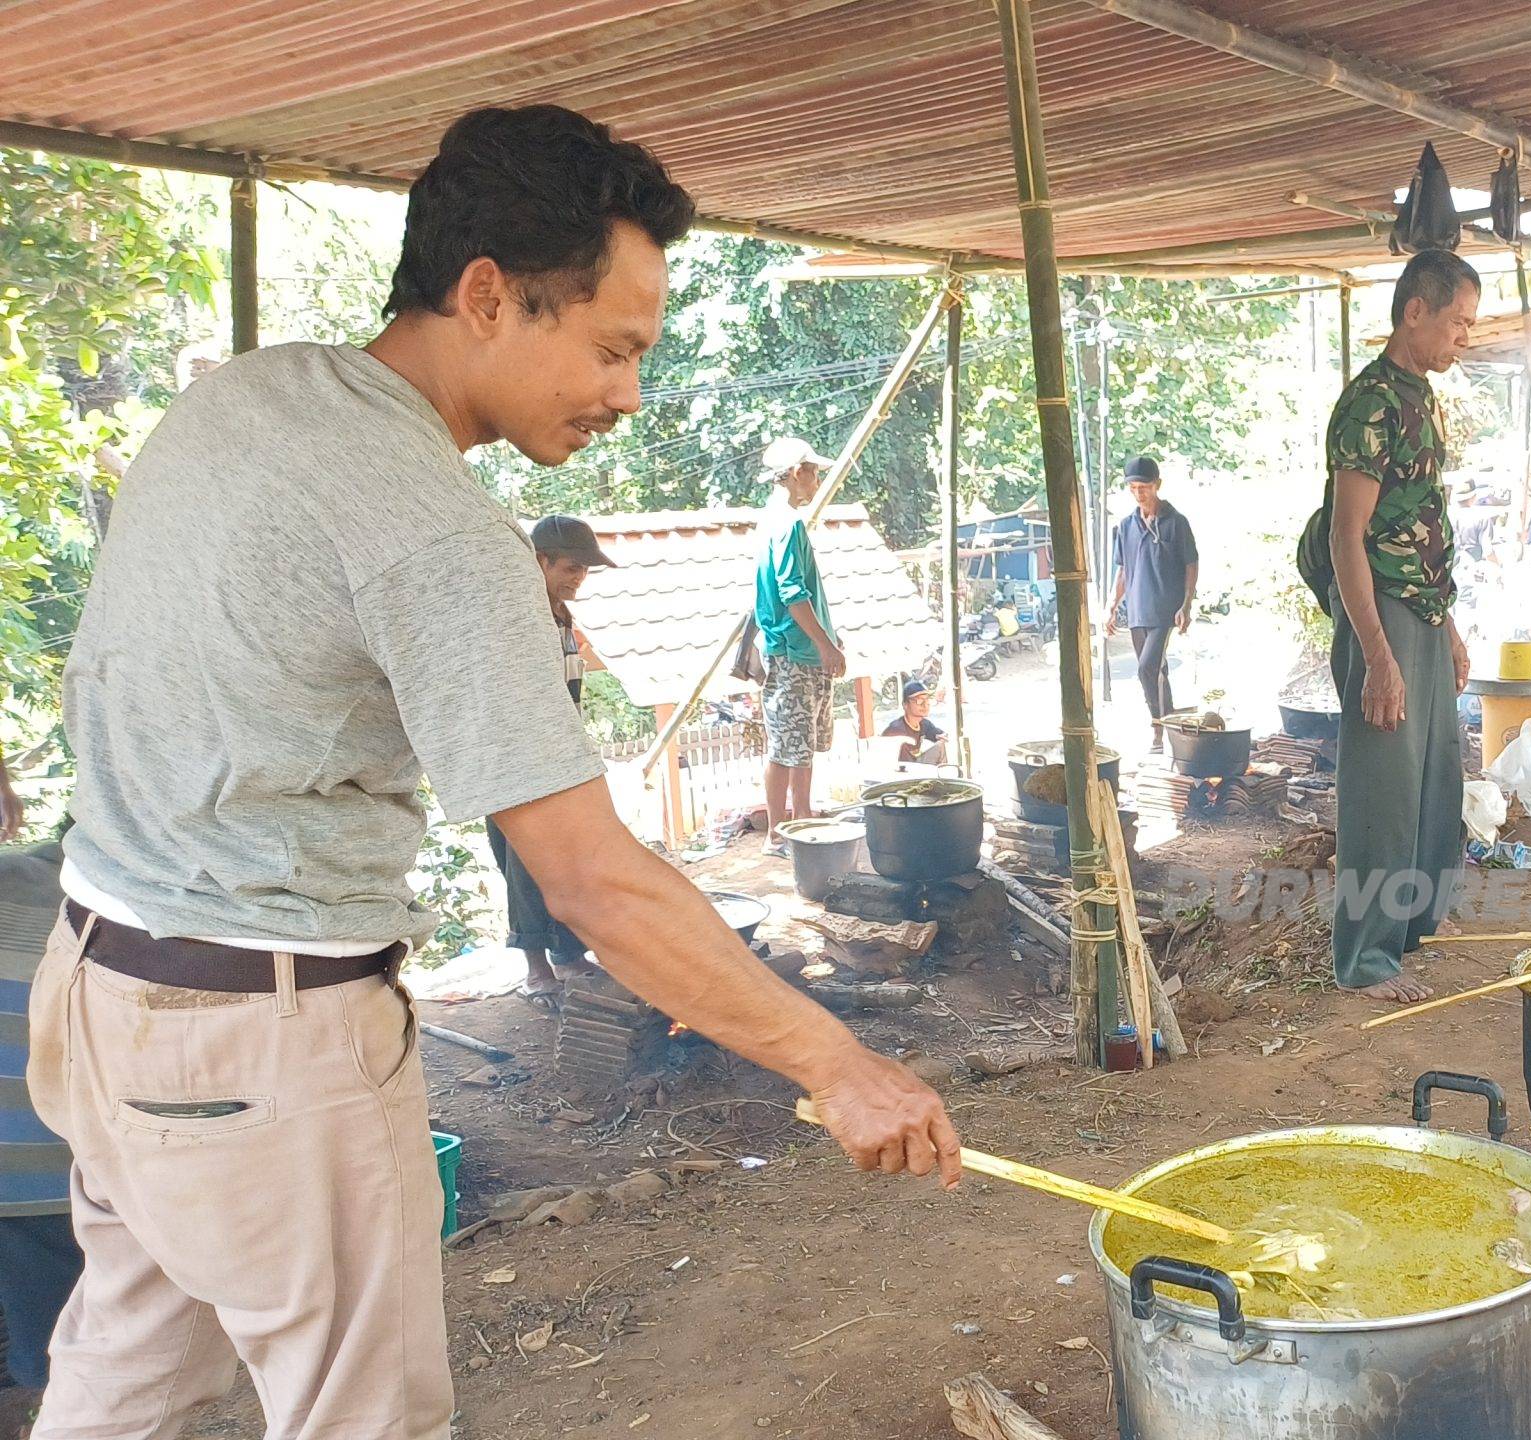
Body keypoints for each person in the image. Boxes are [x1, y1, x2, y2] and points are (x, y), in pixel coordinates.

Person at [34, 105, 958, 1440]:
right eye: (610, 347)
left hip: (102, 988)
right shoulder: (441, 534)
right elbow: (593, 880)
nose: (628, 392)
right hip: (263, 1037)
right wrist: (839, 1064)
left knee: (127, 1388)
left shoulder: (248, 396)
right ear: (486, 296)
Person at [1323, 249, 1479, 1005]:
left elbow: (1420, 521)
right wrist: (1377, 657)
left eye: (1471, 326)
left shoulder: (1418, 395)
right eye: (1456, 322)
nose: (1464, 338)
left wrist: (1446, 625)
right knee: (1383, 790)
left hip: (1422, 606)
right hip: (1379, 612)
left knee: (1434, 777)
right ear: (1414, 310)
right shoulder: (1369, 405)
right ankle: (1365, 956)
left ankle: (1411, 927)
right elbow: (1346, 536)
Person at [484, 514, 614, 1004]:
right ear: (539, 560)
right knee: (523, 865)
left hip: (554, 756)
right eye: (570, 566)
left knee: (561, 861)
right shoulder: (516, 616)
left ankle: (568, 954)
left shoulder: (559, 615)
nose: (578, 576)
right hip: (514, 759)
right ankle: (536, 969)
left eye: (584, 569)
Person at [1, 763, 75, 1440]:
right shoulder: (51, 889)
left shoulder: (48, 882)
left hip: (41, 1189)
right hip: (41, 1188)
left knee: (47, 1375)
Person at [755, 435, 848, 854]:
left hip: (791, 649)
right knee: (793, 746)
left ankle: (789, 826)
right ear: (797, 473)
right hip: (794, 652)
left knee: (794, 744)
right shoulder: (787, 523)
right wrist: (826, 646)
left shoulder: (773, 520)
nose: (815, 482)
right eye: (813, 474)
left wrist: (828, 638)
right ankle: (791, 829)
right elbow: (793, 593)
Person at [1103, 455, 1198, 743]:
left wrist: (1186, 604)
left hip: (1165, 610)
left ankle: (1157, 726)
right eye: (1133, 488)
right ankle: (1170, 727)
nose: (1138, 493)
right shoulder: (1127, 525)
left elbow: (1191, 564)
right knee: (1157, 670)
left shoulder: (1176, 522)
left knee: (1146, 667)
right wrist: (1111, 607)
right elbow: (1123, 571)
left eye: (1143, 487)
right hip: (1137, 610)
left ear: (1157, 485)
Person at [882, 680, 948, 765]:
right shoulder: (896, 730)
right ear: (905, 705)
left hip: (913, 767)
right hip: (899, 771)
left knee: (941, 744)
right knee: (940, 747)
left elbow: (936, 733)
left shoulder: (923, 724)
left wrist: (939, 736)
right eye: (919, 701)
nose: (925, 705)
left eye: (927, 701)